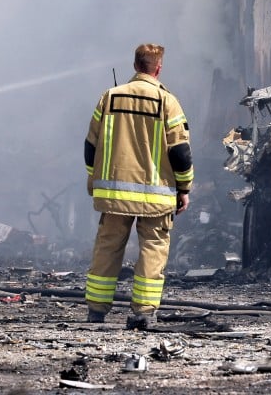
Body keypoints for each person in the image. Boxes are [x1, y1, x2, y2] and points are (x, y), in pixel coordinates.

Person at [83, 43, 194, 329]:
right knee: (153, 248)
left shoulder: (109, 98)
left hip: (114, 194)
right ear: (158, 68)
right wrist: (184, 188)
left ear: (135, 65)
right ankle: (143, 313)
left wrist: (92, 179)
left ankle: (96, 311)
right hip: (156, 196)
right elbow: (180, 152)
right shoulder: (167, 102)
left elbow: (90, 146)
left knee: (107, 247)